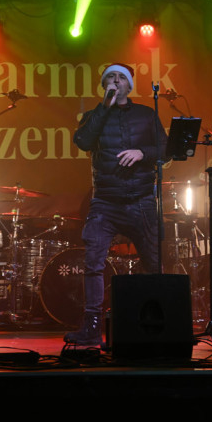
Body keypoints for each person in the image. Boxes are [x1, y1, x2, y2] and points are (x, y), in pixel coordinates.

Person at [68, 62, 168, 346]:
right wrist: (103, 107)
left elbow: (165, 148)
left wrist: (142, 152)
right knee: (93, 262)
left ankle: (158, 324)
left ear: (129, 85)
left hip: (141, 201)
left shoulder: (147, 115)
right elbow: (84, 141)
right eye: (110, 77)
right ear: (104, 85)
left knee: (155, 262)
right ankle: (91, 326)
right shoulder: (93, 115)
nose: (115, 80)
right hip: (105, 202)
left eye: (120, 77)